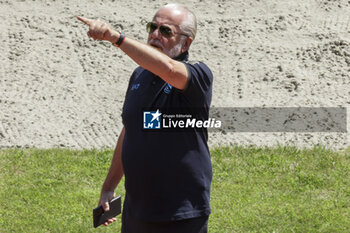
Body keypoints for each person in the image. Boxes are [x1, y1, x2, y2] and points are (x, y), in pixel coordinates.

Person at [78, 3, 213, 233]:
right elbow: (130, 129)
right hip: (137, 211)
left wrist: (115, 37)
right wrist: (109, 186)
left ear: (186, 42)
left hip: (181, 213)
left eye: (166, 31)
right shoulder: (139, 74)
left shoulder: (198, 75)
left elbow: (169, 69)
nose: (155, 35)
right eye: (153, 27)